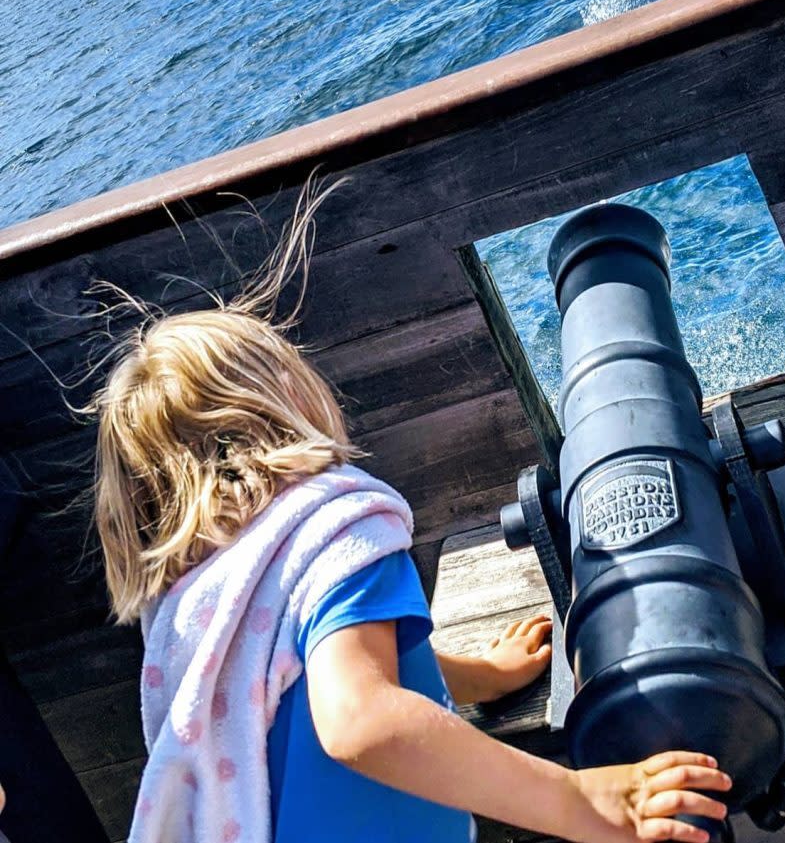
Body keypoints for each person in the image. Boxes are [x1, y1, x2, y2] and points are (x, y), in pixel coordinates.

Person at [91, 188, 732, 843]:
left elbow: (336, 663)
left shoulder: (202, 607)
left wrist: (481, 674)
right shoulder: (328, 531)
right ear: (287, 395)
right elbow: (359, 717)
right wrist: (578, 799)